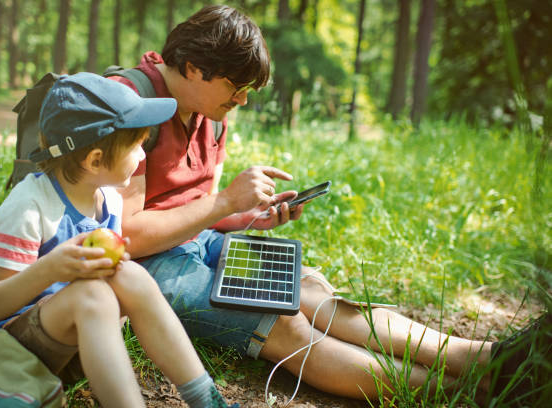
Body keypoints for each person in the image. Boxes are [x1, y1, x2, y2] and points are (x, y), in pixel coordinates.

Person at [113, 5, 550, 402]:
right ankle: (473, 391)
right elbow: (128, 236)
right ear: (194, 68)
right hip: (145, 267)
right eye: (236, 86)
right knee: (286, 323)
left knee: (309, 290)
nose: (242, 99)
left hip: (198, 240)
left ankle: (488, 359)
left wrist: (247, 215)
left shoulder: (210, 113)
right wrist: (223, 202)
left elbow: (198, 209)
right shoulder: (131, 106)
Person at [0, 73, 238, 408]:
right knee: (92, 295)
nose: (142, 155)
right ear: (94, 160)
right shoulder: (29, 207)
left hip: (76, 336)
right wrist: (49, 269)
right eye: (136, 146)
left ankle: (204, 398)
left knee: (132, 274)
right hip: (6, 350)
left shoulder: (108, 198)